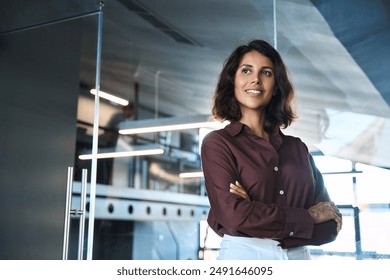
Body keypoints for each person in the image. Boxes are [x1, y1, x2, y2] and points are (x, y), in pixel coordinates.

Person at [200, 39, 342, 260]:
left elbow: (330, 226)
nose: (255, 79)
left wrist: (255, 212)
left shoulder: (298, 149)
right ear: (233, 81)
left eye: (266, 73)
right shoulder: (218, 144)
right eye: (246, 71)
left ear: (276, 86)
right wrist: (308, 218)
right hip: (245, 259)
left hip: (298, 261)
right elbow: (234, 217)